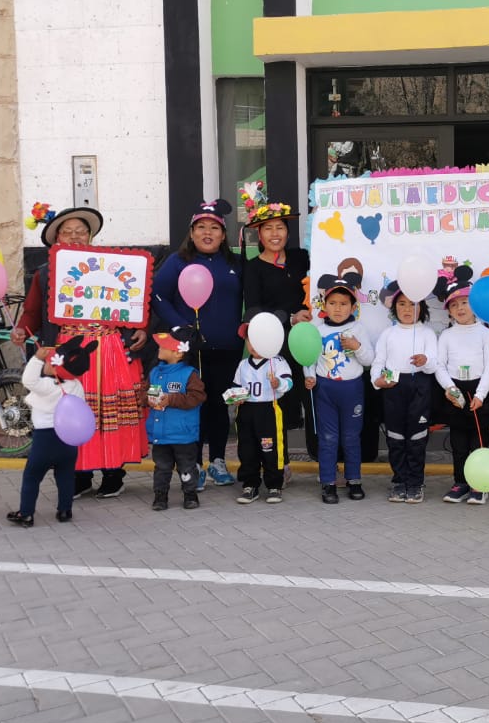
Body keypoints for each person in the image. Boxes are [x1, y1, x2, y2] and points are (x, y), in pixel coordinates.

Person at [11, 204, 149, 499]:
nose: (75, 238)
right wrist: (23, 328)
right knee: (73, 411)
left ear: (91, 237)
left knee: (109, 413)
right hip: (69, 352)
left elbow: (132, 305)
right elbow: (33, 311)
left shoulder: (112, 266)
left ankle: (114, 473)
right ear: (56, 239)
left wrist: (140, 328)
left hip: (109, 349)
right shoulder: (46, 274)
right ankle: (79, 474)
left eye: (81, 232)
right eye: (68, 233)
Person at [151, 199, 244, 489]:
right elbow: (157, 295)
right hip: (190, 352)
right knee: (193, 405)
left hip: (227, 348)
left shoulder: (235, 264)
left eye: (214, 228)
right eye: (201, 227)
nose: (207, 233)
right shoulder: (178, 262)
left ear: (223, 234)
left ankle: (217, 461)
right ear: (191, 233)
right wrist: (178, 324)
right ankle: (193, 465)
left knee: (219, 405)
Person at [238, 183, 314, 464]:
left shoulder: (301, 258)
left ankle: (325, 465)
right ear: (259, 233)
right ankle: (279, 464)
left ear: (288, 231)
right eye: (268, 228)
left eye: (280, 227)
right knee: (278, 406)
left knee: (313, 399)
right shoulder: (253, 268)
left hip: (308, 342)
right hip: (276, 345)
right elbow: (256, 309)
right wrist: (290, 317)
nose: (275, 234)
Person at [8, 336, 98, 528]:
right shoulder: (76, 386)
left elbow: (28, 380)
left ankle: (26, 514)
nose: (47, 363)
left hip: (45, 439)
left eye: (50, 361)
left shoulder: (47, 386)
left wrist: (36, 359)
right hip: (67, 440)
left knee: (32, 476)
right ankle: (65, 510)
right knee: (65, 475)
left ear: (57, 367)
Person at [304, 273, 374, 504]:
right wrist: (310, 376)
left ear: (353, 306)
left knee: (352, 437)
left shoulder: (359, 328)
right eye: (332, 303)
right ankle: (328, 483)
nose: (337, 308)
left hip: (352, 389)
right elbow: (309, 358)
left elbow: (368, 360)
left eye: (344, 304)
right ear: (324, 304)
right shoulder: (317, 328)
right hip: (325, 390)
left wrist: (357, 346)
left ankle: (354, 480)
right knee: (328, 437)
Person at [434, 267, 489, 505]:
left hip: (479, 391)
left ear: (474, 304)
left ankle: (479, 484)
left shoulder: (484, 334)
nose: (460, 308)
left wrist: (481, 395)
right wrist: (450, 390)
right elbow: (439, 366)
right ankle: (460, 482)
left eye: (464, 302)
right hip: (455, 392)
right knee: (458, 442)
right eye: (454, 305)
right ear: (449, 311)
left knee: (478, 442)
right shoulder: (446, 336)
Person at [372, 284, 439, 504]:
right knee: (396, 438)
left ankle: (416, 483)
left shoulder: (428, 334)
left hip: (419, 388)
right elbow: (378, 362)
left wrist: (425, 361)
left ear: (422, 308)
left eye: (413, 304)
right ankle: (399, 481)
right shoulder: (388, 334)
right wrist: (377, 381)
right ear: (394, 308)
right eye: (402, 304)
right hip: (393, 389)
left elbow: (434, 365)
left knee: (417, 438)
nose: (407, 309)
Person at [230, 323, 294, 504]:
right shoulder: (243, 365)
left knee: (271, 449)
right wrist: (236, 398)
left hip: (268, 411)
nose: (252, 344)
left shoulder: (277, 362)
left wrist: (278, 384)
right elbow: (236, 387)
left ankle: (274, 485)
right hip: (247, 411)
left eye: (257, 340)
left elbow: (289, 383)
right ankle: (250, 484)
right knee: (247, 449)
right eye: (249, 340)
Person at [145, 332, 206, 511]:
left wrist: (171, 399)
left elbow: (197, 397)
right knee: (161, 467)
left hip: (183, 434)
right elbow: (144, 392)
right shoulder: (155, 372)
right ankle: (160, 496)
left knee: (186, 467)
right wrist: (147, 398)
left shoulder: (189, 374)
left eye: (164, 346)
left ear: (178, 353)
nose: (160, 348)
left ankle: (190, 494)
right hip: (161, 433)